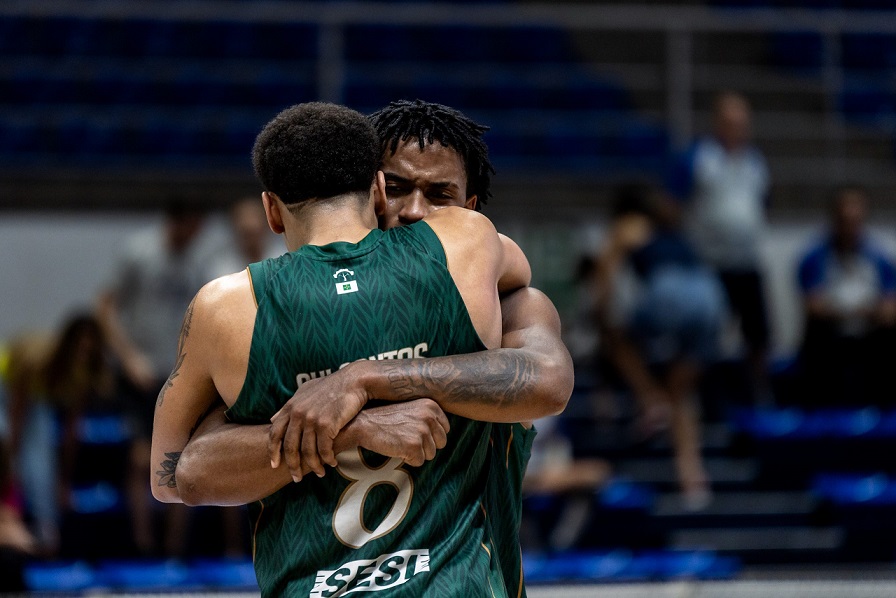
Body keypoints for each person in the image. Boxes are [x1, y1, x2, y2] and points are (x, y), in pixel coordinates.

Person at [172, 100, 574, 597]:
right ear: (370, 188)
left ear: (471, 215)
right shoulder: (264, 314)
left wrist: (360, 378)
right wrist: (352, 429)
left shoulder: (502, 300)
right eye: (399, 187)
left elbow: (549, 382)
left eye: (439, 196)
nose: (413, 211)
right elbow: (191, 471)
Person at [596, 184, 726, 510]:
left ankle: (650, 400)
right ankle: (692, 477)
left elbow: (605, 273)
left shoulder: (630, 225)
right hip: (711, 295)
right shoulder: (673, 230)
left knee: (617, 341)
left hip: (671, 292)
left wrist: (601, 314)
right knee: (680, 394)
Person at [97, 198, 207, 556]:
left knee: (181, 461)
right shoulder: (139, 251)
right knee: (139, 460)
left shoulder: (196, 263)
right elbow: (104, 306)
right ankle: (142, 544)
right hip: (138, 373)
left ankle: (174, 551)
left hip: (176, 372)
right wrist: (128, 358)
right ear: (179, 221)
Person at [667, 91, 773, 404]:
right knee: (706, 339)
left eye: (742, 123)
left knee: (759, 335)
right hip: (709, 265)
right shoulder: (699, 157)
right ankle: (704, 398)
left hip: (747, 262)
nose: (737, 129)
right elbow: (672, 205)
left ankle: (759, 396)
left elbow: (762, 203)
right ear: (717, 123)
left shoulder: (755, 161)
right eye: (730, 122)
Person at [3, 314, 116, 555]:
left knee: (42, 466)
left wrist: (63, 480)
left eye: (89, 350)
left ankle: (47, 533)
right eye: (79, 348)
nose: (83, 355)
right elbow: (16, 419)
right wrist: (11, 466)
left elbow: (71, 434)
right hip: (6, 386)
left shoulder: (82, 373)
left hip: (34, 397)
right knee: (5, 445)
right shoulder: (37, 361)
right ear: (67, 346)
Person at [796, 185, 896, 407]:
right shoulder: (814, 258)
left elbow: (890, 310)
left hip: (870, 335)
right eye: (844, 219)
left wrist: (858, 312)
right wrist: (860, 311)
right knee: (815, 333)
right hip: (831, 336)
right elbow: (814, 307)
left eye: (855, 220)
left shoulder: (880, 258)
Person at [206, 195, 281, 280]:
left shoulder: (283, 260)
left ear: (266, 228)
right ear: (236, 230)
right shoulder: (220, 266)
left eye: (254, 232)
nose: (251, 240)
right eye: (246, 234)